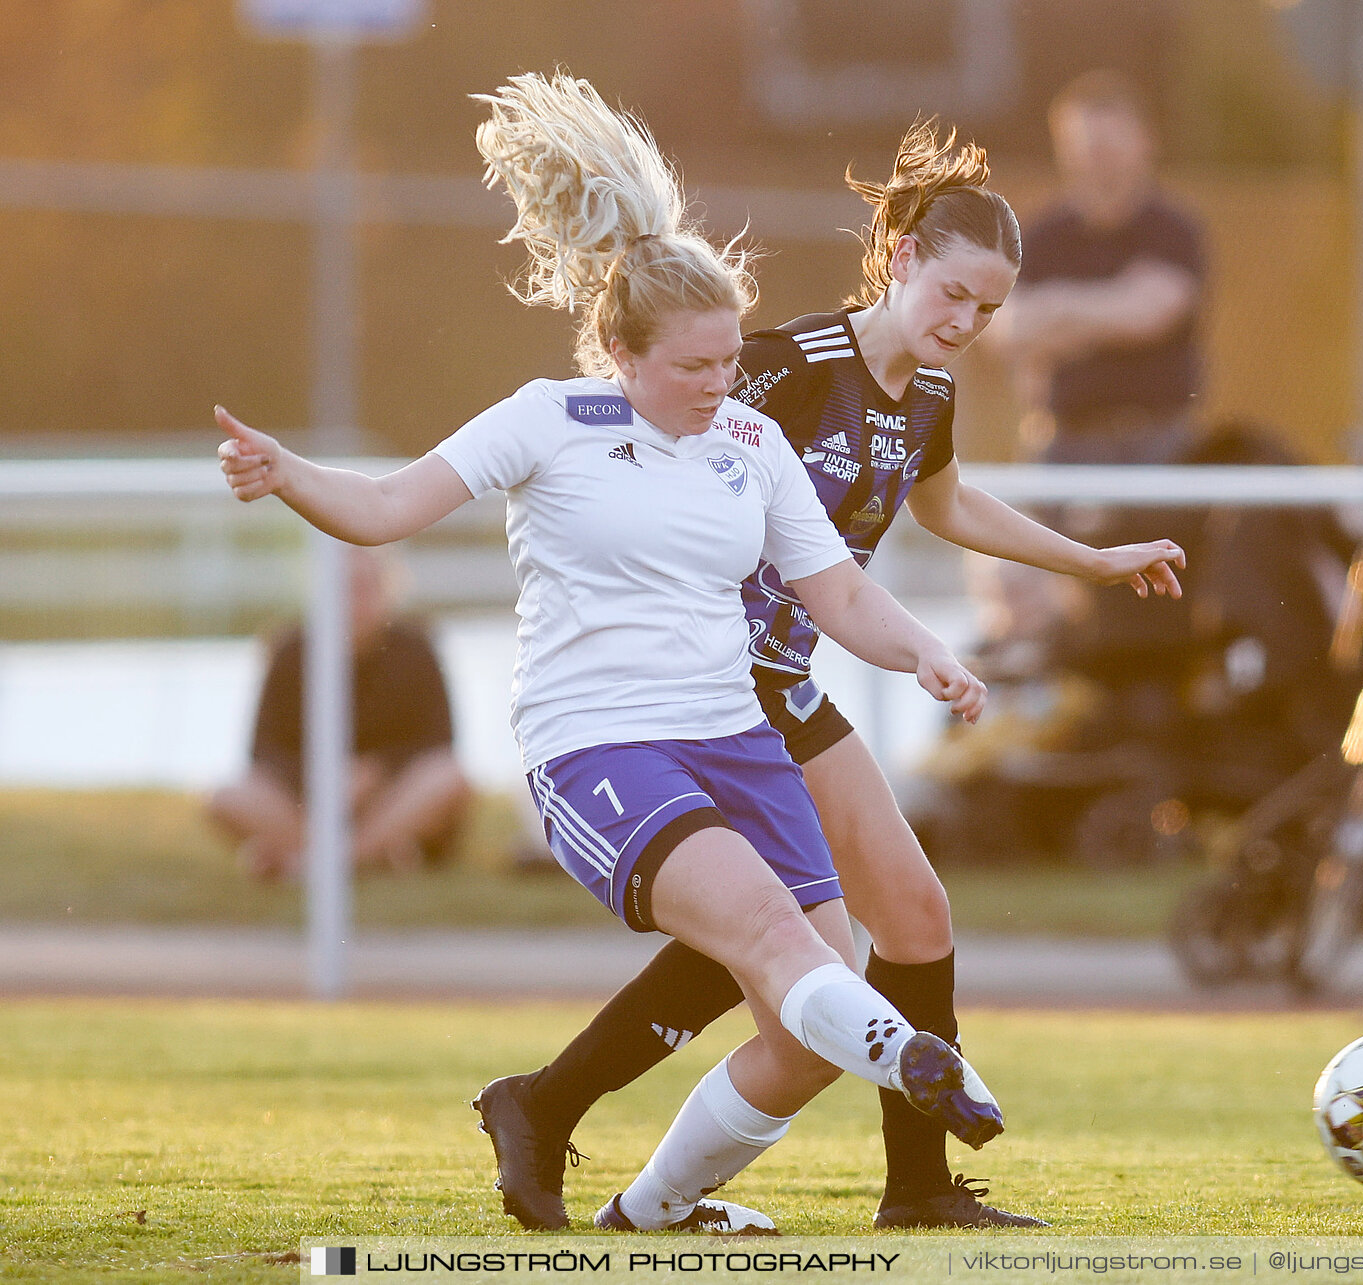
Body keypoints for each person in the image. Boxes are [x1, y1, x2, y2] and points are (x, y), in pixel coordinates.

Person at [214, 72, 1006, 1237]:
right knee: (787, 947)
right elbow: (385, 507)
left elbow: (834, 587)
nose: (721, 386)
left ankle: (648, 1209)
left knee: (799, 1039)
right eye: (694, 366)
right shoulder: (548, 418)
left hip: (735, 734)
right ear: (621, 353)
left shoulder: (746, 440)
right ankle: (918, 1058)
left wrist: (926, 651)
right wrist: (287, 475)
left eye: (731, 361)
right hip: (602, 745)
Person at [471, 121, 1186, 1232]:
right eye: (953, 294)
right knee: (798, 943)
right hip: (706, 688)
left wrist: (1090, 559)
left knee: (902, 917)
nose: (966, 324)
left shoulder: (932, 397)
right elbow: (650, 413)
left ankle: (905, 1188)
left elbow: (947, 507)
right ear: (900, 260)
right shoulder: (787, 366)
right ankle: (557, 1109)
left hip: (788, 682)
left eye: (989, 311)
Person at [205, 544, 471, 880]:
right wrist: (320, 778)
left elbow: (440, 741)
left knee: (447, 778)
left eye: (365, 586)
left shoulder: (417, 645)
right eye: (345, 585)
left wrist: (376, 772)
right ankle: (372, 857)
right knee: (226, 796)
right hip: (308, 803)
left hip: (393, 798)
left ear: (388, 586)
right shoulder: (289, 647)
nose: (356, 599)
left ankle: (314, 863)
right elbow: (263, 750)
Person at [997, 68, 1208, 465]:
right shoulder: (1038, 235)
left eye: (1110, 142)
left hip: (1161, 446)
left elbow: (1150, 315)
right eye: (1086, 144)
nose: (1098, 156)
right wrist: (1109, 308)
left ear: (1145, 141)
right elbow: (1003, 327)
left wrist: (1056, 312)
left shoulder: (1173, 229)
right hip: (1063, 444)